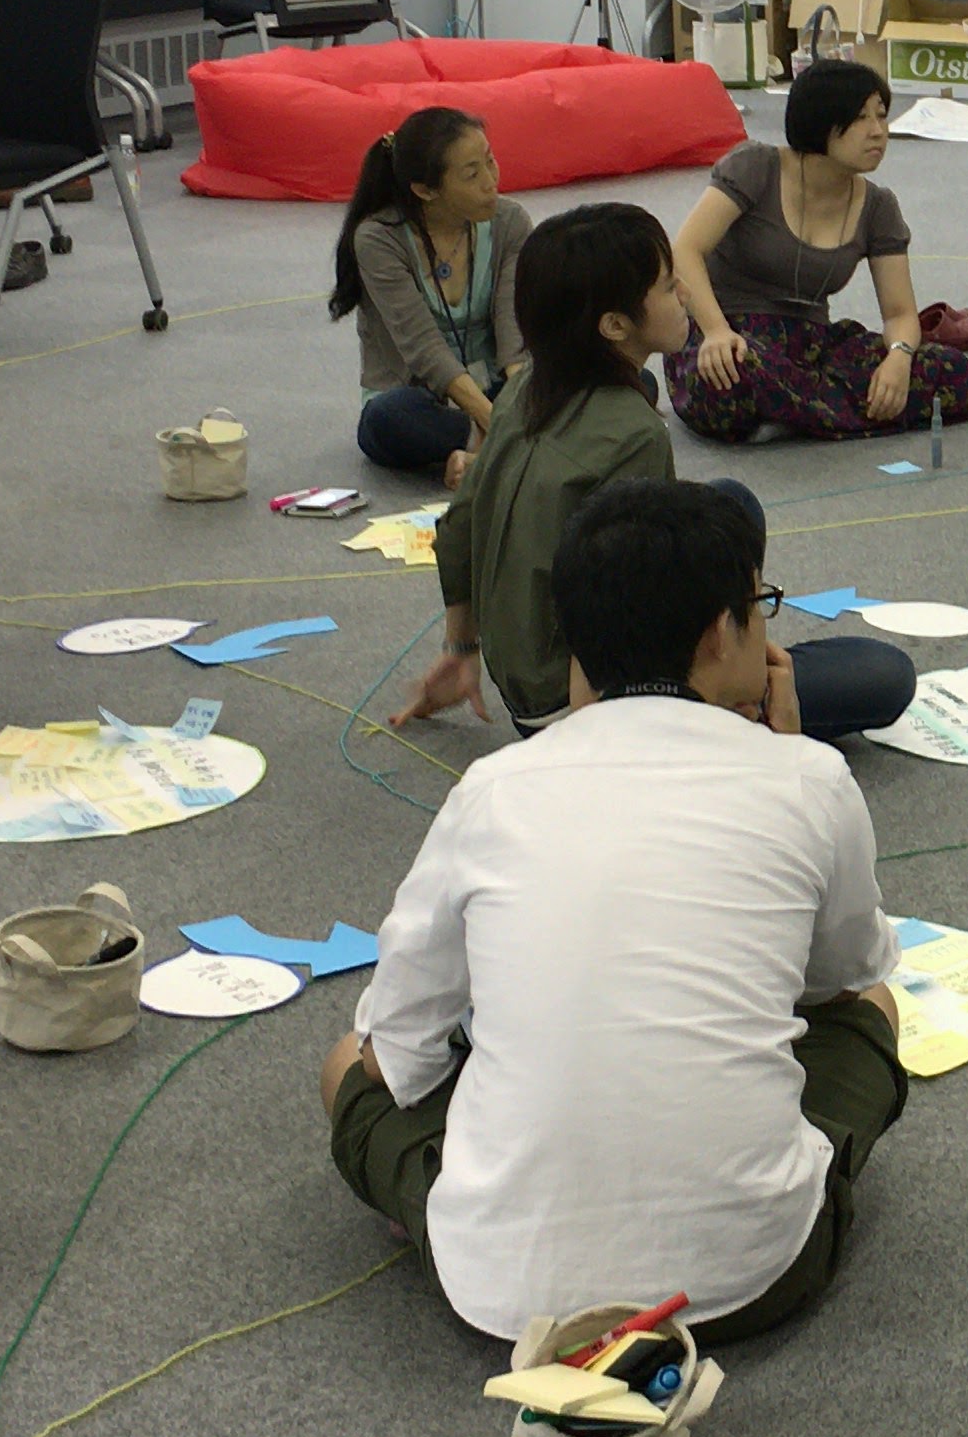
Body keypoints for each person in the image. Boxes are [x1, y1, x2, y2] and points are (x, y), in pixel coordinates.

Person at [326, 480, 910, 1363]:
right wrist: (787, 754)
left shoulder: (492, 789)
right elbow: (841, 981)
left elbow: (392, 1054)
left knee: (344, 1066)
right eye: (759, 607)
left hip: (507, 1295)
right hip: (755, 1280)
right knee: (878, 1010)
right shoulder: (810, 778)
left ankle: (491, 1212)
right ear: (718, 634)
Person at [397, 203, 914, 745]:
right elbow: (642, 612)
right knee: (884, 675)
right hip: (584, 704)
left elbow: (457, 526)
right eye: (669, 287)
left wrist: (461, 647)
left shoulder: (526, 385)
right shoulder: (634, 435)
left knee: (730, 503)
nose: (686, 293)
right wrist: (731, 690)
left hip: (525, 680)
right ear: (615, 324)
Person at [669, 57, 968, 444]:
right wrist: (715, 330)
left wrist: (899, 358)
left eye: (881, 116)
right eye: (861, 118)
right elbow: (685, 250)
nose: (878, 131)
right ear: (821, 122)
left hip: (810, 345)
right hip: (729, 333)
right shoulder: (756, 167)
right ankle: (823, 411)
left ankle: (792, 415)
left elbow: (900, 312)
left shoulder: (878, 206)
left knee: (953, 373)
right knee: (732, 378)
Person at [331, 106, 529, 488]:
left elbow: (514, 333)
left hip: (499, 390)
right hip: (422, 397)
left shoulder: (510, 222)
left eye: (490, 161)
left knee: (624, 380)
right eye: (472, 174)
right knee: (389, 419)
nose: (491, 181)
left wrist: (522, 404)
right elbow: (422, 349)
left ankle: (484, 457)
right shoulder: (378, 238)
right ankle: (516, 449)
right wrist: (499, 423)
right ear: (425, 190)